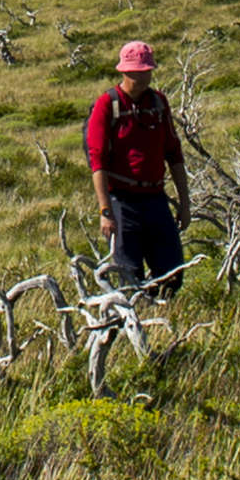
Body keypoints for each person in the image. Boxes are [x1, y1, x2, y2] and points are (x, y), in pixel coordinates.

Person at [87, 43, 187, 296]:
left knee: (172, 272)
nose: (141, 77)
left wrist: (184, 203)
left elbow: (174, 154)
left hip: (155, 199)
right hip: (122, 202)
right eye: (135, 72)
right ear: (124, 72)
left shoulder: (158, 102)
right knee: (129, 275)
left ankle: (163, 314)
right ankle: (135, 321)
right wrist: (105, 210)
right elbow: (97, 161)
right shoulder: (106, 105)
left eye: (145, 71)